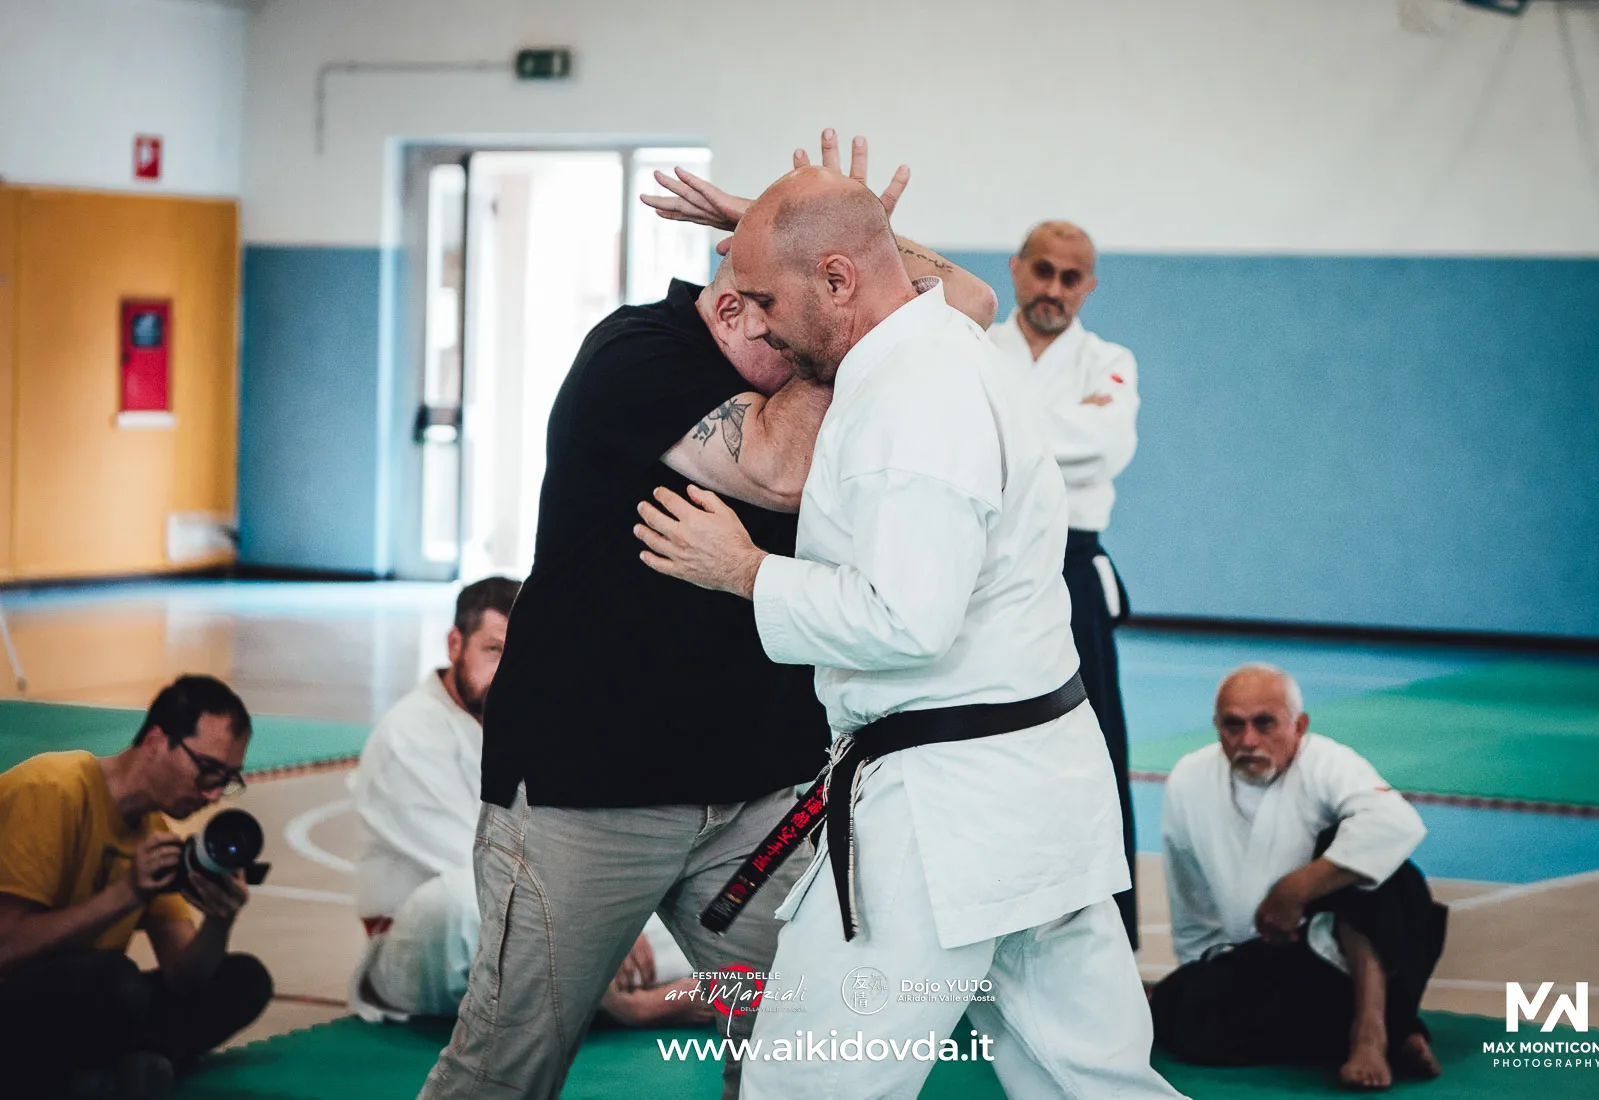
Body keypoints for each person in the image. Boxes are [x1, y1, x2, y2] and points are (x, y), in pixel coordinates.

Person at [417, 133, 999, 1100]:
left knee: (800, 1049)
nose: (814, 347)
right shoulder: (633, 356)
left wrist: (833, 246)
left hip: (756, 794)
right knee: (506, 1064)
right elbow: (779, 466)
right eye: (783, 323)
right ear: (732, 307)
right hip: (586, 794)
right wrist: (831, 305)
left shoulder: (805, 321)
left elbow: (970, 304)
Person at [635, 167, 1180, 1100]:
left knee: (807, 1082)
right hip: (1029, 794)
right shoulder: (943, 348)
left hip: (945, 814)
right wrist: (770, 224)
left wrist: (746, 570)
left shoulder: (913, 395)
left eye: (766, 299)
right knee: (1090, 1080)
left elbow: (907, 618)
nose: (756, 324)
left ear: (837, 280)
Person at [349, 575, 708, 1027]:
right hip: (425, 949)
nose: (510, 669)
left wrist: (617, 911)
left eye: (522, 652)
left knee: (688, 904)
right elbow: (490, 873)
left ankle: (637, 991)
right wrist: (596, 922)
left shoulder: (537, 719)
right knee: (466, 903)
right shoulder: (408, 736)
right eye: (494, 650)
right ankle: (635, 1003)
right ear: (455, 644)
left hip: (542, 914)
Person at [1152, 663, 1447, 1089]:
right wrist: (1202, 974)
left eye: (1264, 723)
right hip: (1269, 960)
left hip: (1344, 954)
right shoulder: (1189, 779)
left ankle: (1370, 1032)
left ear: (1299, 726)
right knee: (1175, 1009)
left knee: (1382, 869)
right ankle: (1399, 1029)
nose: (1248, 740)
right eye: (1233, 725)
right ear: (1217, 727)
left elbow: (1397, 824)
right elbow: (1190, 896)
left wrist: (1295, 890)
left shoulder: (1326, 763)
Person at [0, 675, 272, 1100]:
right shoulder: (52, 790)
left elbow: (184, 979)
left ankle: (109, 1073)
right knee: (116, 983)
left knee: (242, 981)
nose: (214, 794)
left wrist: (220, 920)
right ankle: (110, 1071)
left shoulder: (153, 831)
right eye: (208, 771)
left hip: (79, 1003)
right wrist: (127, 894)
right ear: (155, 742)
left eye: (228, 780)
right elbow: (7, 946)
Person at [986, 220, 1143, 948]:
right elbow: (1068, 442)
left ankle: (1110, 936)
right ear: (1016, 269)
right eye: (1042, 270)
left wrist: (999, 429)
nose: (1053, 288)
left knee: (1094, 748)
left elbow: (1104, 447)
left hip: (1071, 567)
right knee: (985, 740)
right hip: (985, 564)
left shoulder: (1109, 361)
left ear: (1089, 287)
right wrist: (1055, 428)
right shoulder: (974, 348)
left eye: (1070, 277)